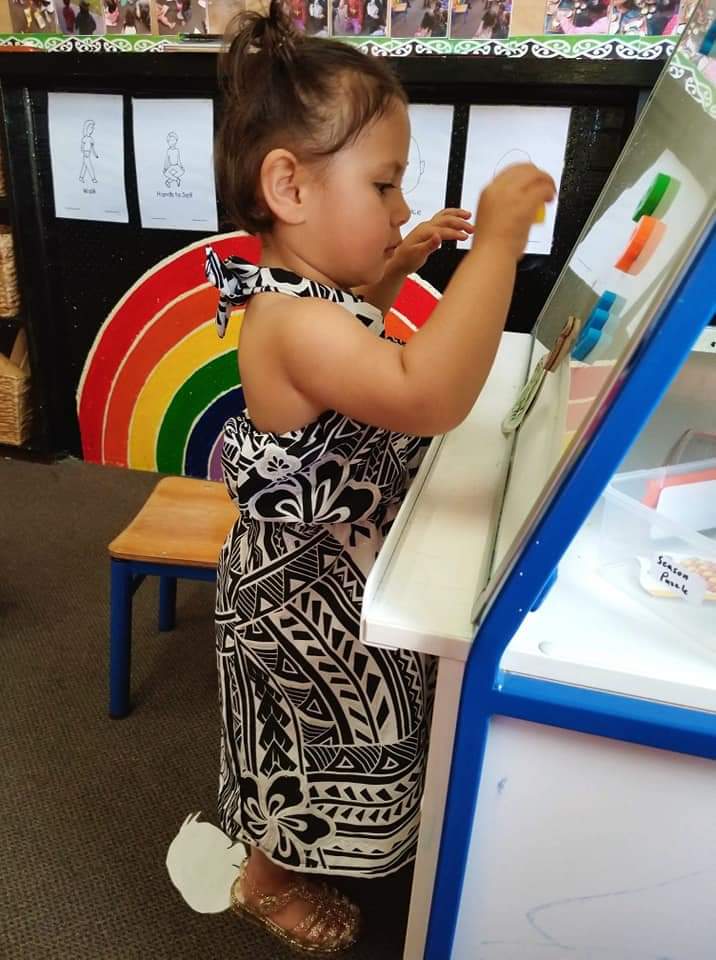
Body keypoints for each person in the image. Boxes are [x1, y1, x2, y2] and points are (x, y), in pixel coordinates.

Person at [206, 0, 554, 953]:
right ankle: (265, 880)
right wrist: (496, 248)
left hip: (337, 568)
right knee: (302, 750)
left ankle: (316, 848)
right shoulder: (295, 323)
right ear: (289, 186)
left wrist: (397, 266)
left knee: (345, 735)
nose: (401, 207)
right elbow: (423, 392)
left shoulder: (310, 295)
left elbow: (357, 318)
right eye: (385, 185)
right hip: (299, 592)